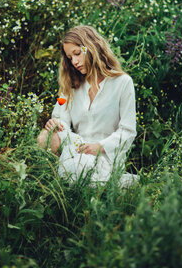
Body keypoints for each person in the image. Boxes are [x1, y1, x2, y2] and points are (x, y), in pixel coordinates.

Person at [37, 25, 138, 187]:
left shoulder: (122, 83)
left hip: (106, 156)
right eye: (70, 58)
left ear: (91, 47)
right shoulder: (70, 87)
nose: (74, 61)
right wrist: (56, 123)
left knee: (79, 172)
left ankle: (109, 182)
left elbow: (128, 131)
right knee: (44, 136)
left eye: (77, 53)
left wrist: (99, 147)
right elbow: (59, 115)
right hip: (77, 150)